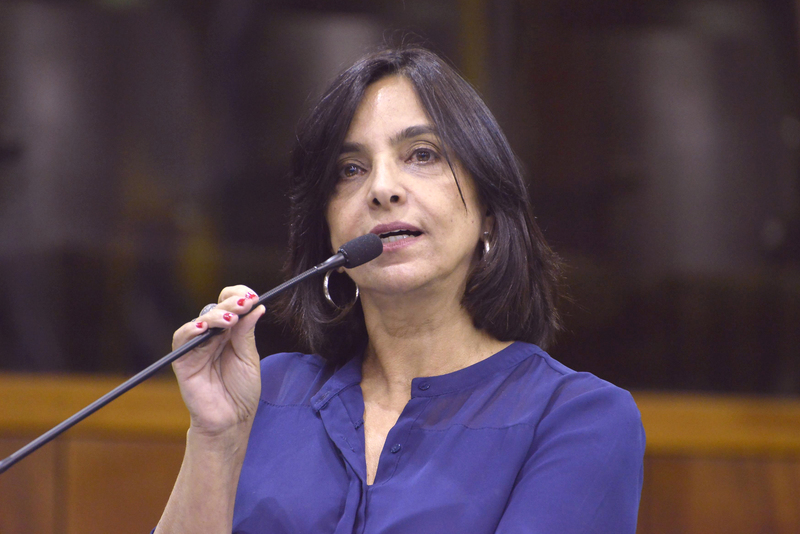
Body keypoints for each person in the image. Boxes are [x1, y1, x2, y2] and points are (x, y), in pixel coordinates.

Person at [155, 46, 645, 534]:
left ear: (490, 212)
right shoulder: (266, 394)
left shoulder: (578, 419)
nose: (382, 189)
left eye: (422, 155)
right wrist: (216, 437)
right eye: (350, 169)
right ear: (326, 229)